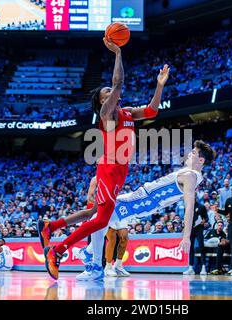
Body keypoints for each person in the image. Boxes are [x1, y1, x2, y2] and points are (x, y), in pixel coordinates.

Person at [39, 38, 170, 280]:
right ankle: (57, 251)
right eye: (106, 93)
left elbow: (152, 110)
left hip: (121, 169)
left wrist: (159, 85)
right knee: (101, 220)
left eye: (110, 91)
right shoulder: (107, 113)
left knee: (94, 214)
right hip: (110, 167)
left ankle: (52, 227)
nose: (111, 93)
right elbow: (118, 82)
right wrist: (118, 53)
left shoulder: (127, 112)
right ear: (102, 101)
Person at [39, 140, 215, 281]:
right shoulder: (189, 173)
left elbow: (189, 206)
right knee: (96, 218)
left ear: (201, 160)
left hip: (137, 203)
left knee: (97, 220)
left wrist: (186, 237)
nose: (189, 153)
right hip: (137, 201)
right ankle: (67, 243)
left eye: (193, 152)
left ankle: (70, 248)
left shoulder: (191, 176)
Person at [183, 195, 209, 275]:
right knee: (190, 248)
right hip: (191, 230)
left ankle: (203, 267)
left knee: (201, 247)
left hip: (199, 229)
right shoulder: (187, 207)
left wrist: (204, 221)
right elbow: (186, 218)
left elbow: (206, 218)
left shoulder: (201, 206)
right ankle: (191, 268)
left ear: (195, 197)